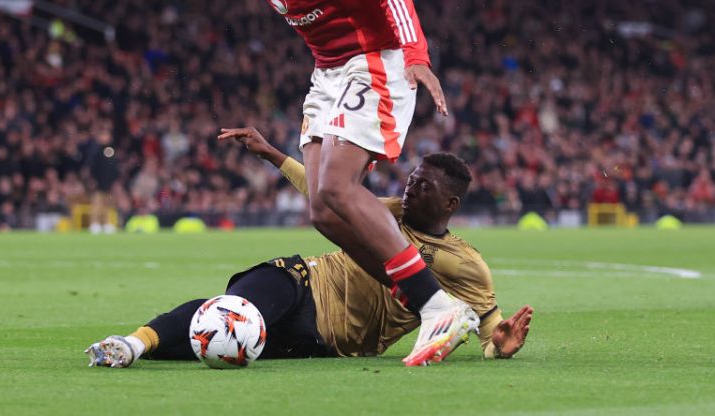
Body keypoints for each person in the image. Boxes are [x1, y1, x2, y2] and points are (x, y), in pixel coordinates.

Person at [167, 0, 465, 364]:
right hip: (328, 73)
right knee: (323, 212)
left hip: (375, 59)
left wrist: (415, 53)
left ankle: (439, 306)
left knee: (337, 186)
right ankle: (422, 301)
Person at [85, 127, 533, 368]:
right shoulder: (387, 211)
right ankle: (131, 344)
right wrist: (271, 154)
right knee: (231, 313)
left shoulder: (466, 263)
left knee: (227, 344)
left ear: (450, 203)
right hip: (304, 280)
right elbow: (323, 192)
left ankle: (144, 346)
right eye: (411, 179)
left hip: (330, 341)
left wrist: (499, 346)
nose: (410, 189)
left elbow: (489, 331)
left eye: (424, 187)